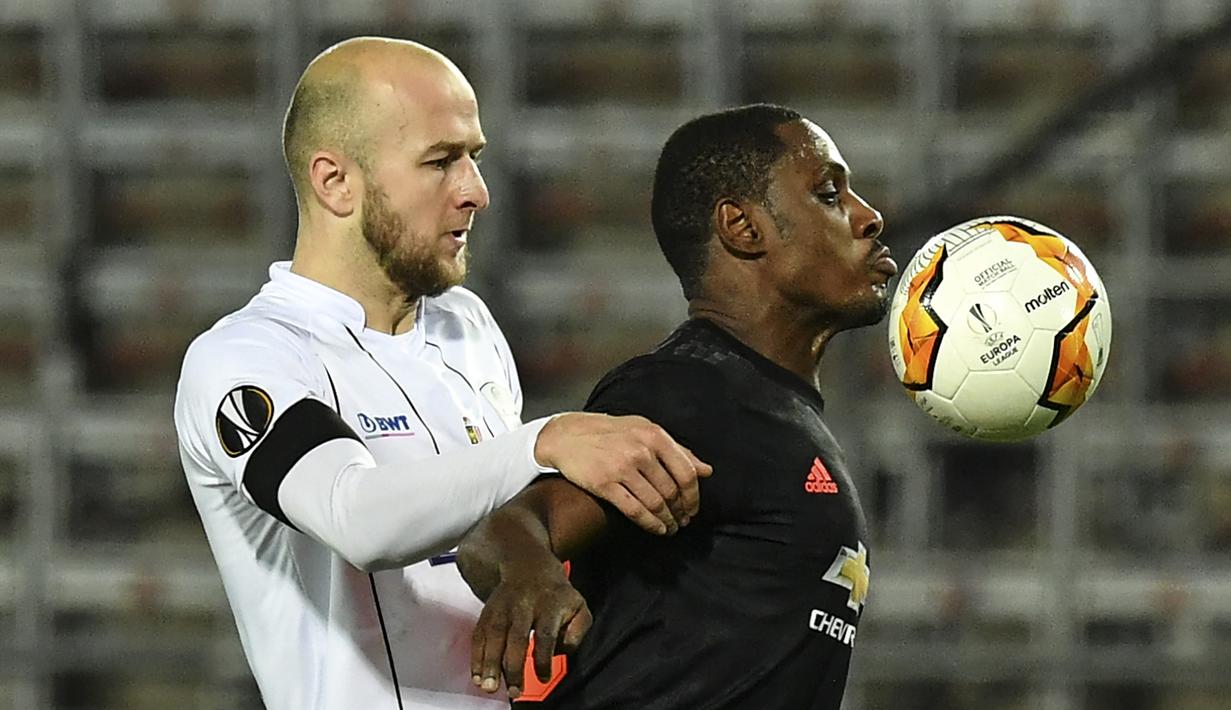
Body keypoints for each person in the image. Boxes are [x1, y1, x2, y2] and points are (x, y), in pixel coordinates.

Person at [173, 37, 711, 710]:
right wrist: (541, 443)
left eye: (473, 158)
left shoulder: (468, 326)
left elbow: (479, 530)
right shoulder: (248, 360)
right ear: (334, 180)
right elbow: (356, 517)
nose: (476, 193)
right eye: (440, 162)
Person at [457, 104, 895, 709]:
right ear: (742, 227)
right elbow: (507, 530)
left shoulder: (776, 409)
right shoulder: (688, 392)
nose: (869, 217)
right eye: (827, 193)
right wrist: (530, 577)